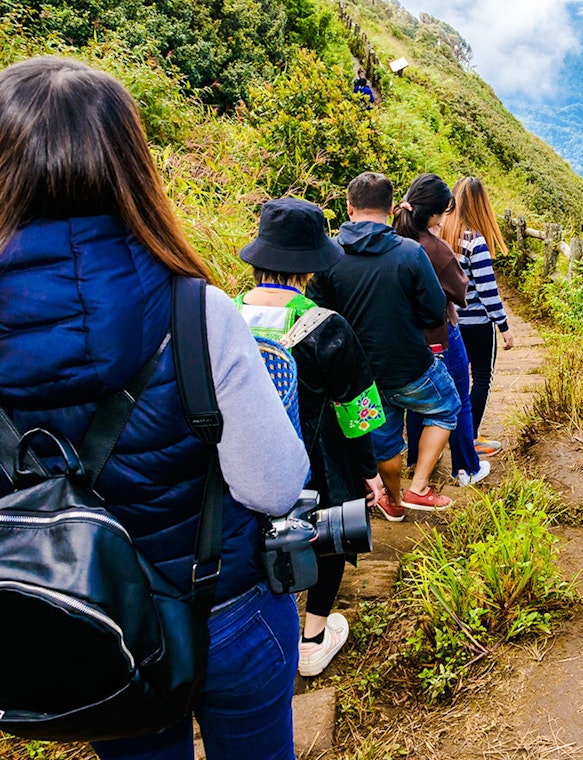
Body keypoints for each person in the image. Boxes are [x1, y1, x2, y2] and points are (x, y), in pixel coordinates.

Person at [0, 57, 309, 758]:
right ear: (130, 163)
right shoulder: (196, 310)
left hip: (92, 617)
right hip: (224, 609)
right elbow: (273, 485)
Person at [235, 198, 389, 677]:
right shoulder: (326, 326)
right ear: (310, 266)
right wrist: (368, 474)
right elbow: (357, 412)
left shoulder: (223, 316)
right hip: (315, 462)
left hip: (237, 461)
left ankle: (256, 634)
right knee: (328, 540)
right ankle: (313, 638)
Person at [307, 172, 460, 513]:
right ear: (392, 210)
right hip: (410, 367)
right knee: (447, 405)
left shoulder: (328, 256)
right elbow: (435, 311)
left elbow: (316, 316)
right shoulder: (410, 253)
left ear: (349, 208)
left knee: (386, 441)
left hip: (358, 377)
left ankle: (393, 501)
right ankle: (418, 487)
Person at [393, 174, 488, 487]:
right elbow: (460, 293)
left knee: (418, 402)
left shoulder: (393, 241)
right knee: (456, 398)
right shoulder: (436, 249)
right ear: (436, 214)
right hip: (442, 337)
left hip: (406, 339)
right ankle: (466, 468)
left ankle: (416, 462)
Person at [441, 176, 515, 456]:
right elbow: (487, 291)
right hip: (478, 324)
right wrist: (504, 326)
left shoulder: (441, 237)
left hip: (449, 323)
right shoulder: (476, 241)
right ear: (481, 205)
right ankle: (469, 439)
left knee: (454, 379)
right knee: (482, 377)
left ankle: (446, 434)